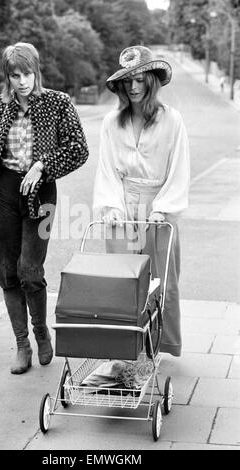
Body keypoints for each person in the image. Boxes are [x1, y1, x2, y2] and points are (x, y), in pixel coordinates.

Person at [0, 42, 89, 374]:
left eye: (28, 73)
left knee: (30, 270)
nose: (22, 81)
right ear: (7, 76)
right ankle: (22, 344)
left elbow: (78, 148)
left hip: (41, 192)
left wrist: (42, 166)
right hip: (4, 192)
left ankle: (40, 332)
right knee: (7, 272)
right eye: (15, 75)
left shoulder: (57, 103)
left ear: (37, 71)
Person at [93, 45, 190, 357]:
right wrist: (111, 207)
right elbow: (106, 169)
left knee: (162, 280)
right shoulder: (111, 122)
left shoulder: (172, 120)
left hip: (160, 205)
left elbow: (179, 168)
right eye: (127, 81)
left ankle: (159, 345)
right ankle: (124, 349)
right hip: (122, 204)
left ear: (152, 80)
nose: (133, 87)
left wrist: (162, 208)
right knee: (122, 282)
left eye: (139, 79)